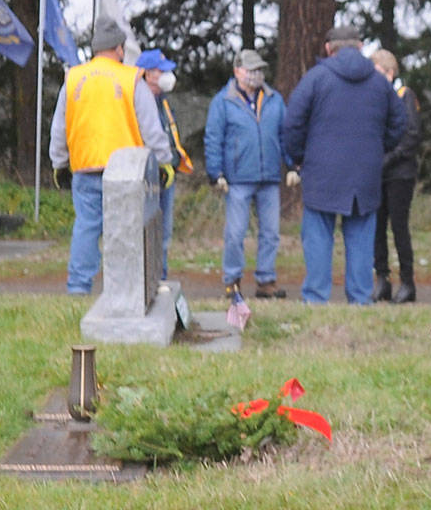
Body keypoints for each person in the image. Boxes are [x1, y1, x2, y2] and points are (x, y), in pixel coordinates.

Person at [49, 17, 175, 295]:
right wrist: (164, 161)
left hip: (85, 167)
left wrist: (60, 164)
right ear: (119, 48)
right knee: (127, 232)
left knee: (86, 228)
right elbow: (151, 128)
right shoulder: (131, 79)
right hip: (125, 171)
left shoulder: (73, 79)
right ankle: (127, 290)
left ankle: (78, 288)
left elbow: (59, 128)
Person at [282, 24, 406, 304]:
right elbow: (399, 123)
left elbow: (292, 123)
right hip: (365, 174)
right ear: (360, 47)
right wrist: (377, 150)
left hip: (320, 172)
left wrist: (299, 158)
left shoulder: (315, 79)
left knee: (317, 239)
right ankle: (360, 300)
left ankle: (315, 299)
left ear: (328, 48)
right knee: (361, 240)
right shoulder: (379, 83)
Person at [205, 48, 296, 301]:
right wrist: (216, 173)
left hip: (269, 177)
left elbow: (284, 135)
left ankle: (266, 281)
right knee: (235, 233)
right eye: (251, 69)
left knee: (271, 233)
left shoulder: (274, 99)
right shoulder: (222, 101)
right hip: (237, 179)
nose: (256, 74)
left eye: (259, 69)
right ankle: (232, 281)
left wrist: (291, 166)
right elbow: (214, 139)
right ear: (237, 71)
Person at [370, 48, 422, 303]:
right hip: (377, 173)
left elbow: (412, 134)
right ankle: (382, 279)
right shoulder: (373, 97)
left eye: (379, 72)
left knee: (399, 227)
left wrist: (390, 157)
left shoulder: (405, 95)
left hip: (400, 172)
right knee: (377, 227)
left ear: (390, 72)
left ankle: (407, 281)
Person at [137, 48, 193, 280]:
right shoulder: (138, 100)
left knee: (164, 233)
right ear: (148, 74)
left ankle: (160, 278)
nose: (167, 76)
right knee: (146, 229)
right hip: (146, 175)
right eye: (162, 71)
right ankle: (147, 279)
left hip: (165, 173)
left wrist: (174, 159)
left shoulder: (163, 101)